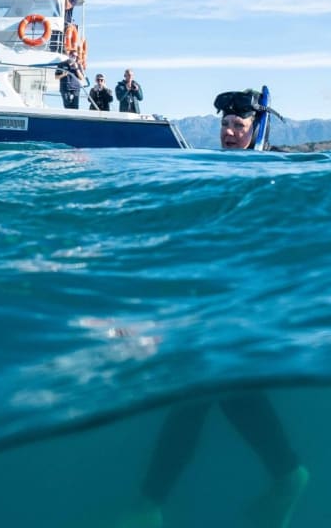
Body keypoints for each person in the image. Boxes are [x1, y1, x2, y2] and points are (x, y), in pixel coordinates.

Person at [117, 89, 306, 528]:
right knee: (224, 394)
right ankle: (287, 472)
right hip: (211, 298)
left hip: (243, 303)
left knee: (198, 392)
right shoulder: (211, 169)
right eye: (224, 125)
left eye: (238, 126)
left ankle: (149, 504)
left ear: (255, 129)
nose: (228, 132)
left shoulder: (273, 168)